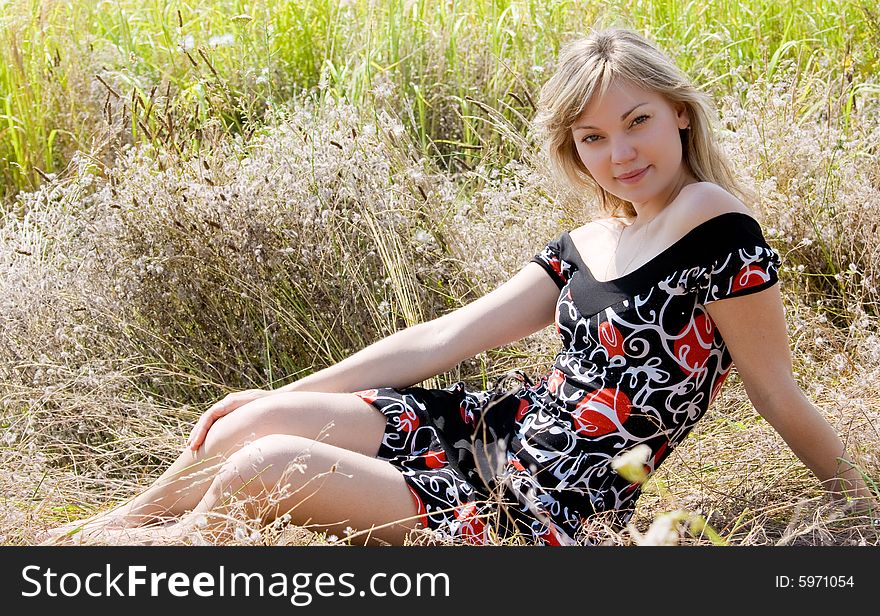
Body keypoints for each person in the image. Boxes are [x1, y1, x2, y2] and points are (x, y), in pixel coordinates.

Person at [43, 27, 875, 546]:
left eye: (637, 122)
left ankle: (147, 560)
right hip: (493, 434)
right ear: (573, 150)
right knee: (257, 420)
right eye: (592, 137)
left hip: (551, 498)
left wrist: (858, 511)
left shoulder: (713, 221)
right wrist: (276, 384)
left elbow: (776, 391)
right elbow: (442, 339)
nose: (619, 154)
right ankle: (106, 532)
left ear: (679, 114)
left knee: (266, 465)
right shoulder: (588, 243)